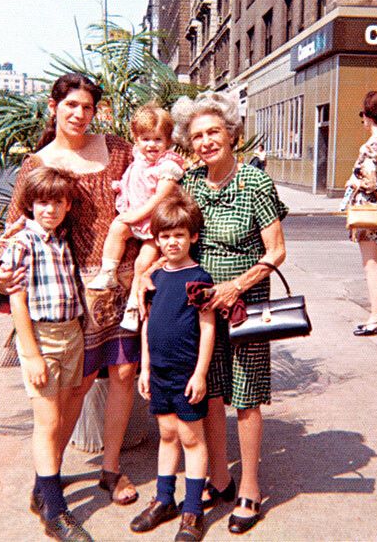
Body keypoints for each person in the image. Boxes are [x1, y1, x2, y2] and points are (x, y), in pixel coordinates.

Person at [0, 74, 141, 517]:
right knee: (79, 384)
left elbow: (148, 187)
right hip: (72, 291)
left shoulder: (117, 150)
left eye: (87, 107)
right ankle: (47, 478)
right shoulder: (38, 163)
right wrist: (7, 275)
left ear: (96, 112)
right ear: (54, 107)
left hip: (125, 281)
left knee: (126, 372)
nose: (79, 114)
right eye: (71, 104)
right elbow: (18, 226)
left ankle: (110, 469)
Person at [164, 91, 288, 534]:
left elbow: (277, 251)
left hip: (245, 304)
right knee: (211, 391)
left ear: (231, 134)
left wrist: (236, 286)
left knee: (247, 396)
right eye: (197, 136)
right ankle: (219, 477)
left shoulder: (255, 183)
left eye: (213, 131)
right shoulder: (191, 184)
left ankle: (250, 487)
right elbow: (165, 233)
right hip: (199, 307)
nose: (205, 141)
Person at [0, 166, 92, 541]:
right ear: (30, 205)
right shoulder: (22, 242)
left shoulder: (60, 240)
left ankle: (43, 489)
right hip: (43, 337)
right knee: (48, 422)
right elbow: (17, 300)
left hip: (71, 334)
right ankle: (55, 512)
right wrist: (33, 354)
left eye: (57, 202)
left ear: (67, 205)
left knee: (67, 408)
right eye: (42, 203)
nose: (49, 210)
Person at [130, 193, 216, 541]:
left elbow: (208, 327)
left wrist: (200, 373)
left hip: (185, 373)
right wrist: (146, 368)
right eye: (164, 236)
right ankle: (165, 499)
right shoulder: (155, 277)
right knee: (167, 434)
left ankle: (192, 509)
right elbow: (148, 325)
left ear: (193, 236)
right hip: (160, 372)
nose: (171, 242)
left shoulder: (199, 277)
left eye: (179, 235)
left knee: (191, 439)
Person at [87, 103, 184, 333]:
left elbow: (159, 198)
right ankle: (108, 272)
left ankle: (132, 306)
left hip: (154, 223)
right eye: (145, 139)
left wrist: (134, 216)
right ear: (136, 139)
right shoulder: (138, 156)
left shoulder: (168, 165)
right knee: (116, 231)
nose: (151, 145)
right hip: (136, 215)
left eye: (158, 139)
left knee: (143, 262)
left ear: (168, 141)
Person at [344, 90, 377, 336]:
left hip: (368, 210)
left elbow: (369, 182)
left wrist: (353, 182)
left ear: (367, 115)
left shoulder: (369, 147)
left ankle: (375, 316)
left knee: (370, 264)